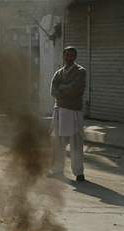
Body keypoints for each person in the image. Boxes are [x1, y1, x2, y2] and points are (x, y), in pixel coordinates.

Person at [50, 46, 86, 182]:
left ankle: (79, 172)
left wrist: (62, 89)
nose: (69, 58)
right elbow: (53, 91)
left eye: (71, 55)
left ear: (75, 57)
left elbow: (76, 89)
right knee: (58, 143)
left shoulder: (81, 72)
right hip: (59, 111)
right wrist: (65, 89)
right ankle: (57, 169)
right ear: (63, 56)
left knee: (76, 143)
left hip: (74, 111)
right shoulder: (58, 73)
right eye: (66, 55)